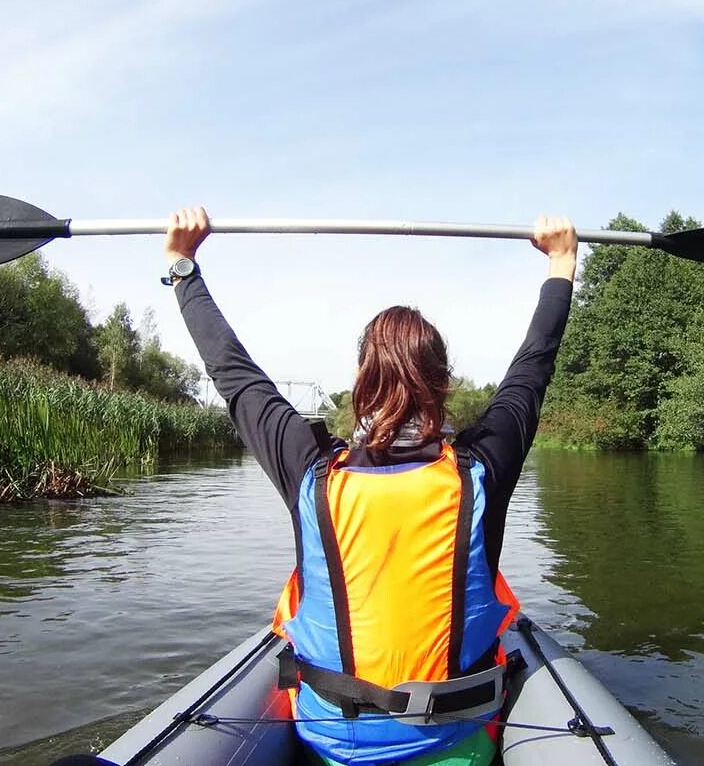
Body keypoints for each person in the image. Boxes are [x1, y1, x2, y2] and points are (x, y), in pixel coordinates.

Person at [162, 207, 577, 766]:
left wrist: (184, 267)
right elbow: (534, 365)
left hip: (333, 748)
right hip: (458, 745)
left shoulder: (311, 469)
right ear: (444, 383)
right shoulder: (480, 469)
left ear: (360, 381)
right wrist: (561, 261)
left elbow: (234, 374)